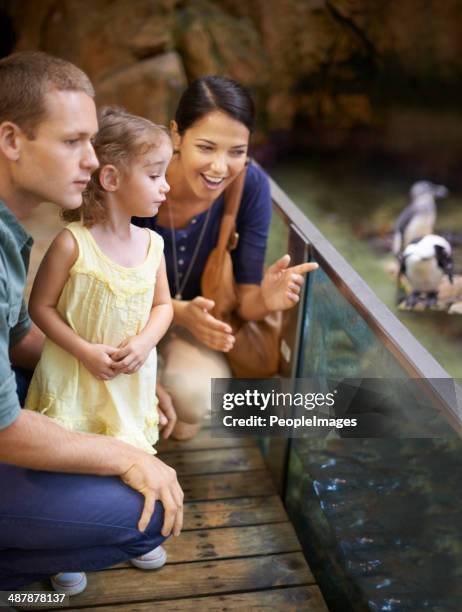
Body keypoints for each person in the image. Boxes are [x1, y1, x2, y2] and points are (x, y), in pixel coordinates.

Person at [0, 51, 183, 595]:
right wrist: (127, 458)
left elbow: (18, 342)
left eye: (93, 140)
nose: (90, 158)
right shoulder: (63, 243)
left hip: (47, 397)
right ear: (11, 140)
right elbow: (4, 430)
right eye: (72, 141)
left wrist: (141, 376)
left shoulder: (13, 233)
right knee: (145, 511)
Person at [134, 75, 318, 441]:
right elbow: (102, 281)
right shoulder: (139, 174)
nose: (220, 167)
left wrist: (267, 298)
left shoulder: (250, 186)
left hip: (193, 332)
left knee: (193, 404)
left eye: (236, 151)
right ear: (176, 136)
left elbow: (245, 305)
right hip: (123, 326)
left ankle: (163, 393)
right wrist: (178, 311)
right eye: (206, 147)